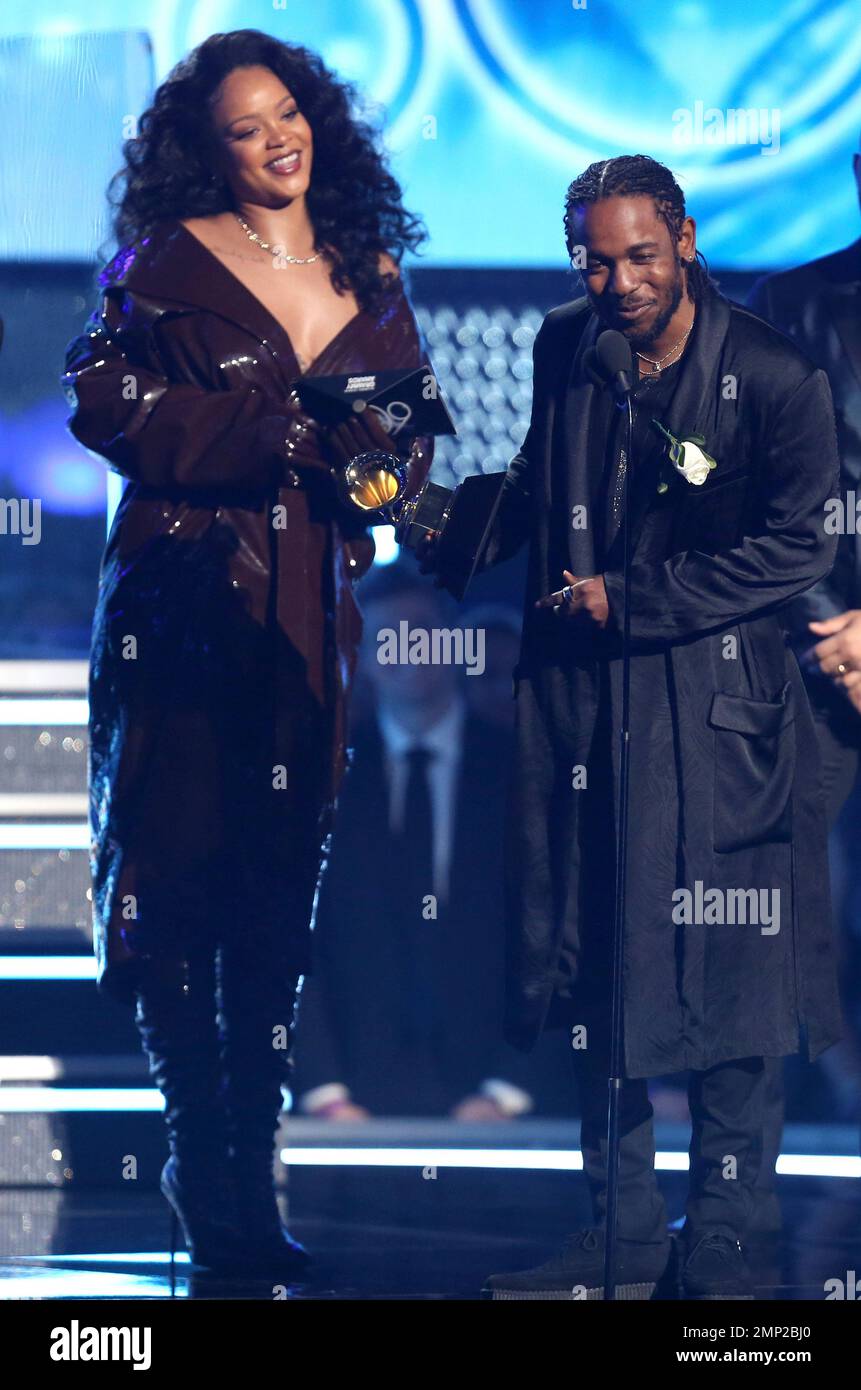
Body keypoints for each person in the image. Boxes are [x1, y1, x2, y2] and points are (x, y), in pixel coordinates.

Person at [424, 154, 843, 1300]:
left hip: (720, 714)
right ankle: (618, 1228)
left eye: (640, 255)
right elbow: (532, 475)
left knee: (734, 972)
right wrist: (431, 522)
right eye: (595, 259)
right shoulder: (570, 344)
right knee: (591, 957)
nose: (618, 281)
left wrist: (637, 597)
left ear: (687, 241)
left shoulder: (774, 370)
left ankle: (727, 1229)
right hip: (585, 712)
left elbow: (800, 547)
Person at [61, 29, 432, 1278]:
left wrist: (383, 477)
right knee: (178, 888)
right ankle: (201, 1158)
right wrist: (275, 431)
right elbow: (101, 407)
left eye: (290, 114)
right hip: (180, 604)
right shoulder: (160, 263)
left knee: (277, 897)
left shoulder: (370, 270)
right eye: (243, 126)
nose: (277, 139)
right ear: (203, 149)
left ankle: (242, 1172)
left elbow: (404, 446)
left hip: (309, 616)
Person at [293, 568, 542, 1121]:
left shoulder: (520, 769)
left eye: (422, 632)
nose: (407, 650)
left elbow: (552, 931)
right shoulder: (322, 778)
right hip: (351, 1098)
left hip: (500, 1098)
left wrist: (507, 1087)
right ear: (362, 654)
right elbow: (298, 940)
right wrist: (324, 1090)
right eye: (386, 637)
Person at [744, 136, 861, 1229]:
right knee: (800, 912)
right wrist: (833, 622)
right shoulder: (791, 303)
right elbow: (766, 483)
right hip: (817, 654)